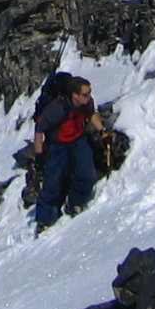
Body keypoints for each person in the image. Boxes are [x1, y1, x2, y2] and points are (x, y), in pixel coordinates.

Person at [31, 73, 106, 232]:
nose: (89, 97)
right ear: (74, 95)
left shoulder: (86, 103)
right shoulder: (56, 109)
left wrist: (102, 131)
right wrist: (39, 154)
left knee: (87, 174)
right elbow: (39, 130)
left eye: (90, 92)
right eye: (85, 94)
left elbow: (91, 114)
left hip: (79, 139)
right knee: (52, 182)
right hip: (57, 146)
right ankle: (45, 220)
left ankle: (75, 203)